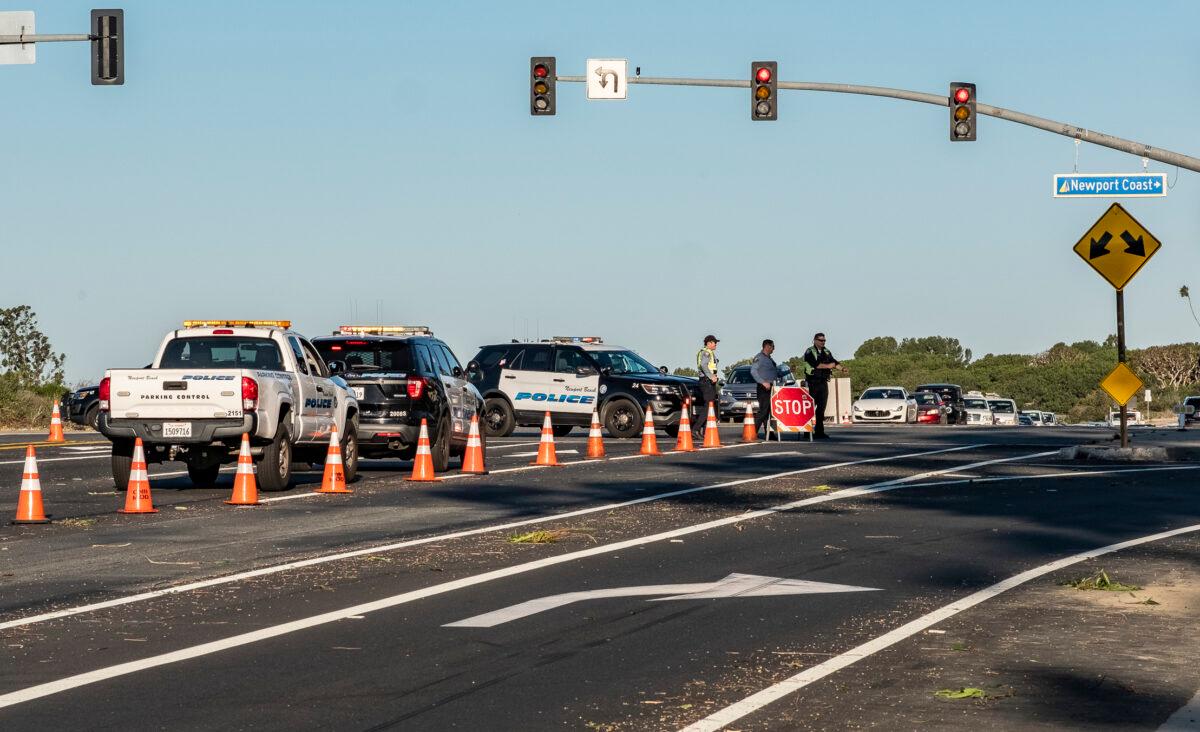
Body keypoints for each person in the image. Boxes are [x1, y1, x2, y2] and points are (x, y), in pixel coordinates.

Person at [802, 332, 847, 439]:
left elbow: (834, 362)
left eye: (824, 340)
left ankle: (819, 431)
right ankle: (806, 432)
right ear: (815, 340)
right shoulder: (809, 351)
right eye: (821, 340)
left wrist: (842, 368)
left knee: (821, 408)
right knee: (810, 408)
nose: (823, 342)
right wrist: (828, 366)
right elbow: (816, 365)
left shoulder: (826, 351)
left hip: (823, 382)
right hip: (812, 382)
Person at [749, 339, 779, 437]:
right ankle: (752, 432)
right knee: (763, 411)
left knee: (769, 411)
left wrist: (787, 371)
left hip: (771, 387)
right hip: (763, 388)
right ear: (767, 346)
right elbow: (753, 371)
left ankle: (769, 433)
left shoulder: (770, 359)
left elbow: (775, 373)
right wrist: (763, 382)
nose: (774, 349)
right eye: (772, 347)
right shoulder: (759, 358)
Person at [694, 335, 720, 435]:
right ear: (709, 343)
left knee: (710, 405)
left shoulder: (709, 352)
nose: (716, 344)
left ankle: (705, 431)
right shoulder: (706, 352)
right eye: (714, 342)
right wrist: (711, 376)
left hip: (708, 381)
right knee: (708, 405)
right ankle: (696, 429)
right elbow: (704, 365)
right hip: (706, 381)